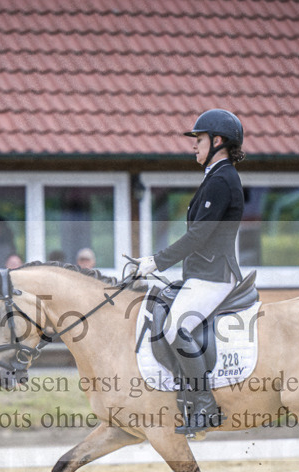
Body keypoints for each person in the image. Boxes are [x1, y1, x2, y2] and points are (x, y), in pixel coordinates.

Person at [128, 108, 246, 435]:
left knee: (176, 326)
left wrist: (155, 261)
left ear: (218, 141)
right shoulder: (215, 176)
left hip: (216, 275)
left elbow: (199, 236)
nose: (194, 145)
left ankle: (205, 405)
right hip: (202, 273)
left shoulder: (223, 179)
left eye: (199, 139)